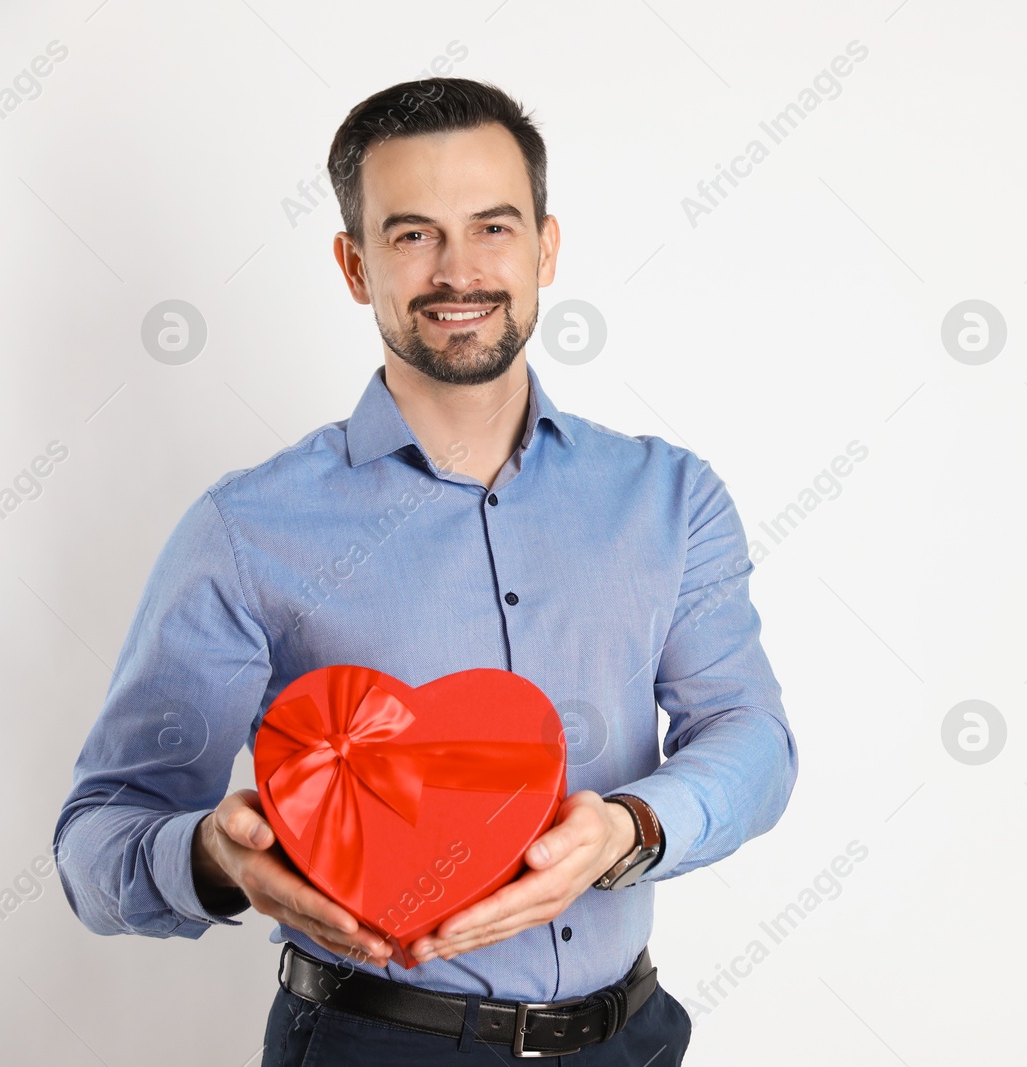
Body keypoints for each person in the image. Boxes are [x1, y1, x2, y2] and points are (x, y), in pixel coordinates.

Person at [52, 77, 798, 1066]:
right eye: (412, 235)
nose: (458, 272)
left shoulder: (669, 496)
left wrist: (627, 826)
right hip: (376, 1044)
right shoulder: (245, 527)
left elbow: (750, 737)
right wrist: (210, 857)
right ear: (354, 265)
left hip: (635, 1039)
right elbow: (98, 835)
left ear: (546, 246)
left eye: (492, 227)